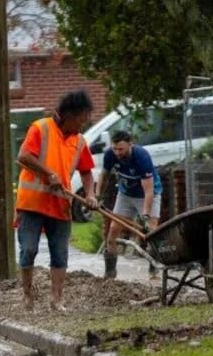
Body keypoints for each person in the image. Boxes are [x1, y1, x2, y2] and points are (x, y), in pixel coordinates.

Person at [15, 90, 99, 311]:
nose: (82, 124)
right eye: (81, 119)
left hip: (60, 205)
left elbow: (87, 172)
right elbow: (23, 156)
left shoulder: (79, 141)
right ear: (69, 114)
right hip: (31, 203)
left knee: (60, 253)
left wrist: (90, 195)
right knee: (29, 250)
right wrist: (48, 174)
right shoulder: (41, 128)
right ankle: (26, 296)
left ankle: (56, 299)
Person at [95, 131, 160, 279]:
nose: (117, 153)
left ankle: (154, 272)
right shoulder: (110, 155)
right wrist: (98, 196)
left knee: (152, 232)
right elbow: (103, 175)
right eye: (115, 149)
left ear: (130, 145)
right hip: (126, 194)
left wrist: (145, 215)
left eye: (121, 149)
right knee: (112, 231)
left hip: (148, 194)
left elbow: (149, 191)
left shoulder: (141, 157)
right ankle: (110, 274)